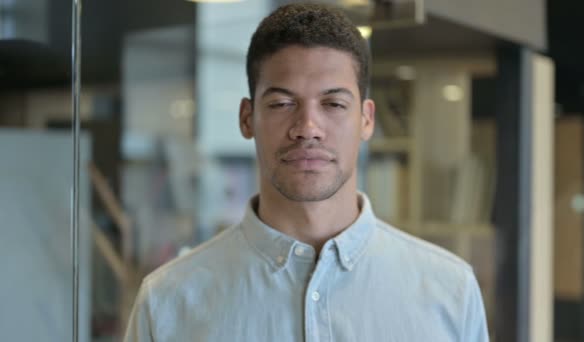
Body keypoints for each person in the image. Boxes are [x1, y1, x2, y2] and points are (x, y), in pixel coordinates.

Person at [124, 3, 489, 341]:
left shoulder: (450, 292)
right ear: (247, 118)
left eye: (333, 103)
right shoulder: (168, 303)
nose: (308, 127)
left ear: (366, 119)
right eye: (283, 103)